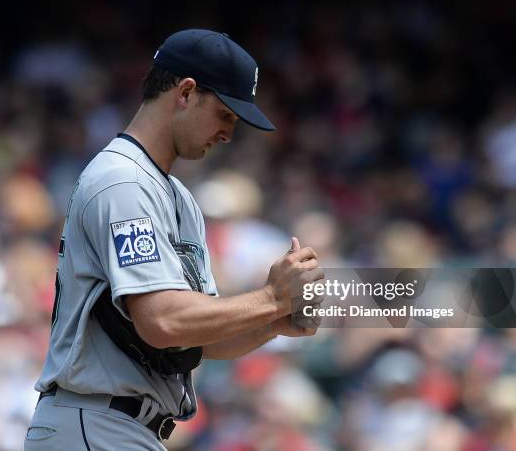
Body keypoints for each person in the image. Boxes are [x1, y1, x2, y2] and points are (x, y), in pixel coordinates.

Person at [24, 28, 323, 451]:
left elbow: (197, 337)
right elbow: (163, 321)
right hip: (96, 421)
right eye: (225, 114)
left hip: (119, 427)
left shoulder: (177, 196)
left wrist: (275, 320)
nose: (228, 134)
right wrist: (272, 297)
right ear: (185, 93)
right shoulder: (122, 180)